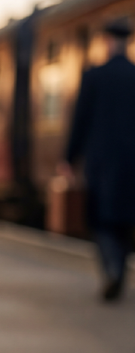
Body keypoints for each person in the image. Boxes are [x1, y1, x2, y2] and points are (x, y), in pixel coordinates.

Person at [61, 18, 135, 302]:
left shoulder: (94, 76)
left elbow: (80, 121)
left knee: (100, 220)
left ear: (106, 41)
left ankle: (112, 270)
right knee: (125, 221)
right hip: (131, 163)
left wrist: (69, 159)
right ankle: (120, 273)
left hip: (101, 161)